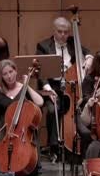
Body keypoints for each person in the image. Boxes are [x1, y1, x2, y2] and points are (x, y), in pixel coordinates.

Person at [36, 17, 92, 160]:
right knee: (51, 109)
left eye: (66, 32)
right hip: (52, 86)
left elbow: (87, 52)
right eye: (60, 32)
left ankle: (75, 146)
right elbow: (40, 71)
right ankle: (54, 147)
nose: (63, 35)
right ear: (54, 31)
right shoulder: (43, 46)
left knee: (77, 109)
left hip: (70, 86)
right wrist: (48, 89)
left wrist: (89, 57)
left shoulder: (73, 42)